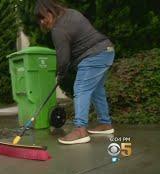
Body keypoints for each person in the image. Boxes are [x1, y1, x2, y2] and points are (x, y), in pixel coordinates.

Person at [35, 0, 115, 145]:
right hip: (107, 50)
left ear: (49, 12)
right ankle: (105, 123)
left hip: (94, 56)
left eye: (42, 17)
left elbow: (63, 58)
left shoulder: (58, 30)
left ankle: (80, 130)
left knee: (81, 89)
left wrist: (60, 74)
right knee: (97, 90)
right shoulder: (72, 13)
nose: (41, 22)